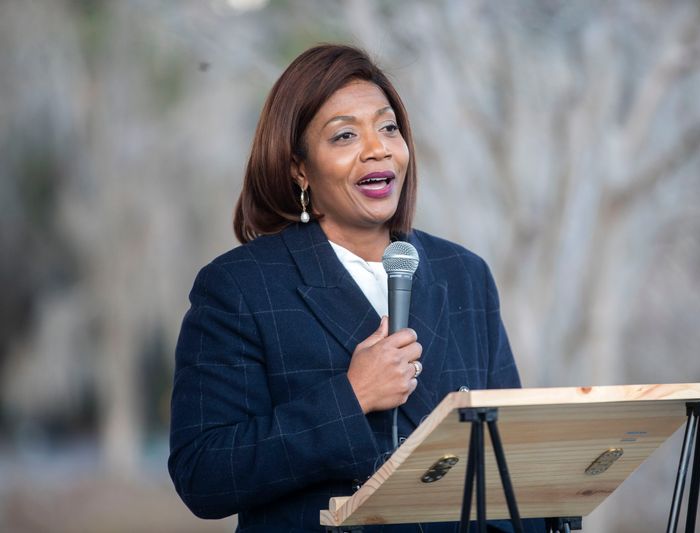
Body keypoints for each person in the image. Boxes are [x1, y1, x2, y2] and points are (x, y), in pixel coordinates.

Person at [168, 44, 545, 533]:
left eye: (388, 127)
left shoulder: (464, 274)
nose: (377, 147)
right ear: (299, 169)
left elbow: (507, 459)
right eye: (345, 135)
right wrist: (349, 397)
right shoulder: (240, 287)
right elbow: (204, 475)